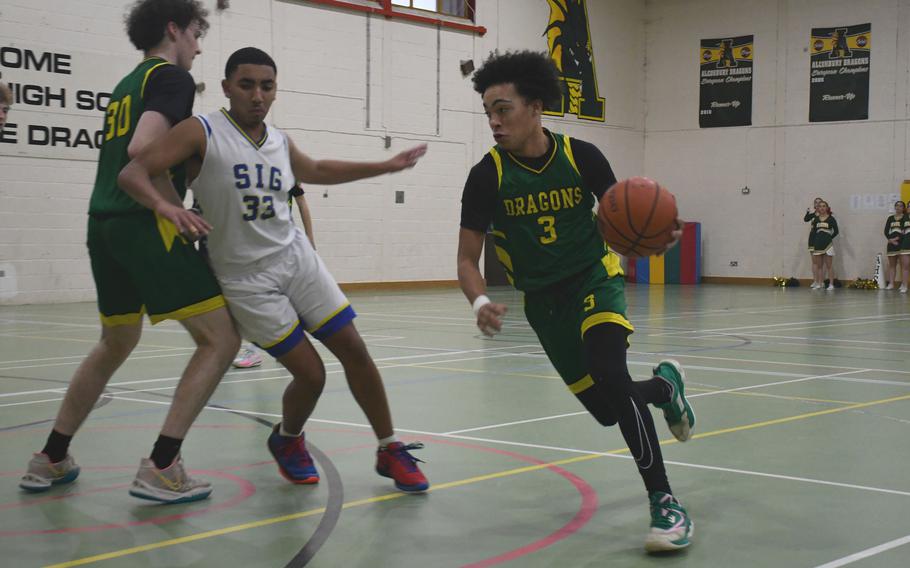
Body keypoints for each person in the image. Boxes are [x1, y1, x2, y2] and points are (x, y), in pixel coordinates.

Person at [118, 47, 430, 493]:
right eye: (247, 85)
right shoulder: (200, 131)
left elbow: (318, 169)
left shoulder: (279, 141)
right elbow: (133, 172)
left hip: (296, 259)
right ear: (227, 88)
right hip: (245, 278)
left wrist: (384, 165)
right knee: (312, 375)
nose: (258, 95)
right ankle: (288, 440)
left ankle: (389, 447)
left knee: (355, 350)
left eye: (267, 86)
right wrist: (167, 207)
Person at [457, 50, 693, 552]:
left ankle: (666, 505)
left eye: (503, 109)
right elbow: (465, 259)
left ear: (535, 106)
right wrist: (480, 303)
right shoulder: (486, 176)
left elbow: (623, 216)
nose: (494, 122)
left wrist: (652, 234)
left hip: (595, 280)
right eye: (488, 113)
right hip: (544, 304)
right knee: (611, 408)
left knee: (611, 374)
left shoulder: (580, 156)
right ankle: (665, 389)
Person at [19, 0, 241, 504]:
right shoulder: (171, 79)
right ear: (173, 29)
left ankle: (51, 457)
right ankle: (162, 466)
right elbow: (145, 148)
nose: (198, 45)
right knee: (223, 339)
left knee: (115, 341)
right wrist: (169, 207)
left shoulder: (126, 84)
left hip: (102, 225)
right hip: (143, 224)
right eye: (195, 34)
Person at [231, 182, 314, 369]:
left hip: (283, 244)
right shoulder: (250, 174)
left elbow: (301, 201)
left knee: (286, 297)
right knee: (254, 296)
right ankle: (255, 350)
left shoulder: (286, 171)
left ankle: (287, 347)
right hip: (257, 243)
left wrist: (310, 238)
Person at [811, 200, 838, 290]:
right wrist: (815, 242)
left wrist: (829, 237)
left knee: (829, 265)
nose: (822, 208)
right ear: (818, 208)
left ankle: (831, 284)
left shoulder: (831, 219)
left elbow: (836, 231)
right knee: (819, 266)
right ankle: (820, 283)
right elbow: (814, 232)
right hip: (818, 244)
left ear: (827, 208)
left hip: (828, 244)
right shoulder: (816, 219)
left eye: (824, 206)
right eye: (820, 206)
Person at [884, 201, 910, 293]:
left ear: (903, 208)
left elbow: (903, 232)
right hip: (896, 244)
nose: (898, 207)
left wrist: (897, 239)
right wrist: (891, 240)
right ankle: (893, 284)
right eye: (897, 206)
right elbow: (887, 231)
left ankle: (903, 284)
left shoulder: (905, 217)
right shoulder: (894, 218)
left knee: (904, 266)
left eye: (901, 206)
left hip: (901, 243)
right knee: (897, 266)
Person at [804, 197, 822, 285]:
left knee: (820, 262)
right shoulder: (812, 215)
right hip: (812, 239)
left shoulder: (824, 215)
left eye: (820, 203)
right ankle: (815, 281)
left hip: (821, 239)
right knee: (814, 262)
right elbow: (806, 219)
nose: (818, 204)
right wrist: (807, 211)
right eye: (816, 203)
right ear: (814, 205)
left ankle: (821, 282)